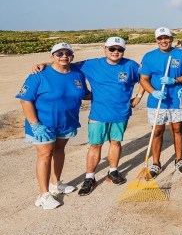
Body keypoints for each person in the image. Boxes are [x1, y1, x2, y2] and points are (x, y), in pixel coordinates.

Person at [29, 36, 141, 196]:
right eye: (112, 49)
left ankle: (113, 172)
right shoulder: (91, 64)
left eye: (120, 49)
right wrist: (43, 64)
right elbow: (64, 63)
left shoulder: (130, 65)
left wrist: (138, 97)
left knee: (115, 143)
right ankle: (90, 177)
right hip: (98, 114)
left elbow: (145, 77)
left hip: (121, 113)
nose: (116, 52)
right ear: (104, 49)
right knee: (95, 145)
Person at [17, 43, 90, 209]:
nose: (64, 56)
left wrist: (108, 94)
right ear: (52, 56)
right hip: (43, 124)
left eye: (67, 53)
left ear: (72, 56)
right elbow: (25, 100)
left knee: (59, 151)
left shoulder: (77, 73)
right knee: (45, 155)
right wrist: (35, 125)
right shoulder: (39, 74)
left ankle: (56, 184)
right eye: (59, 53)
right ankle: (43, 195)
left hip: (66, 121)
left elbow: (83, 93)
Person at [139, 27, 182, 178]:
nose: (163, 41)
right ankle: (156, 163)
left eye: (166, 38)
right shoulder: (149, 57)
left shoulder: (181, 54)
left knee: (177, 129)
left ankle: (179, 160)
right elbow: (144, 79)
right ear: (156, 40)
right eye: (160, 38)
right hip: (157, 101)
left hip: (176, 99)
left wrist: (175, 80)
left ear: (171, 39)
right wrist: (153, 92)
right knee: (157, 132)